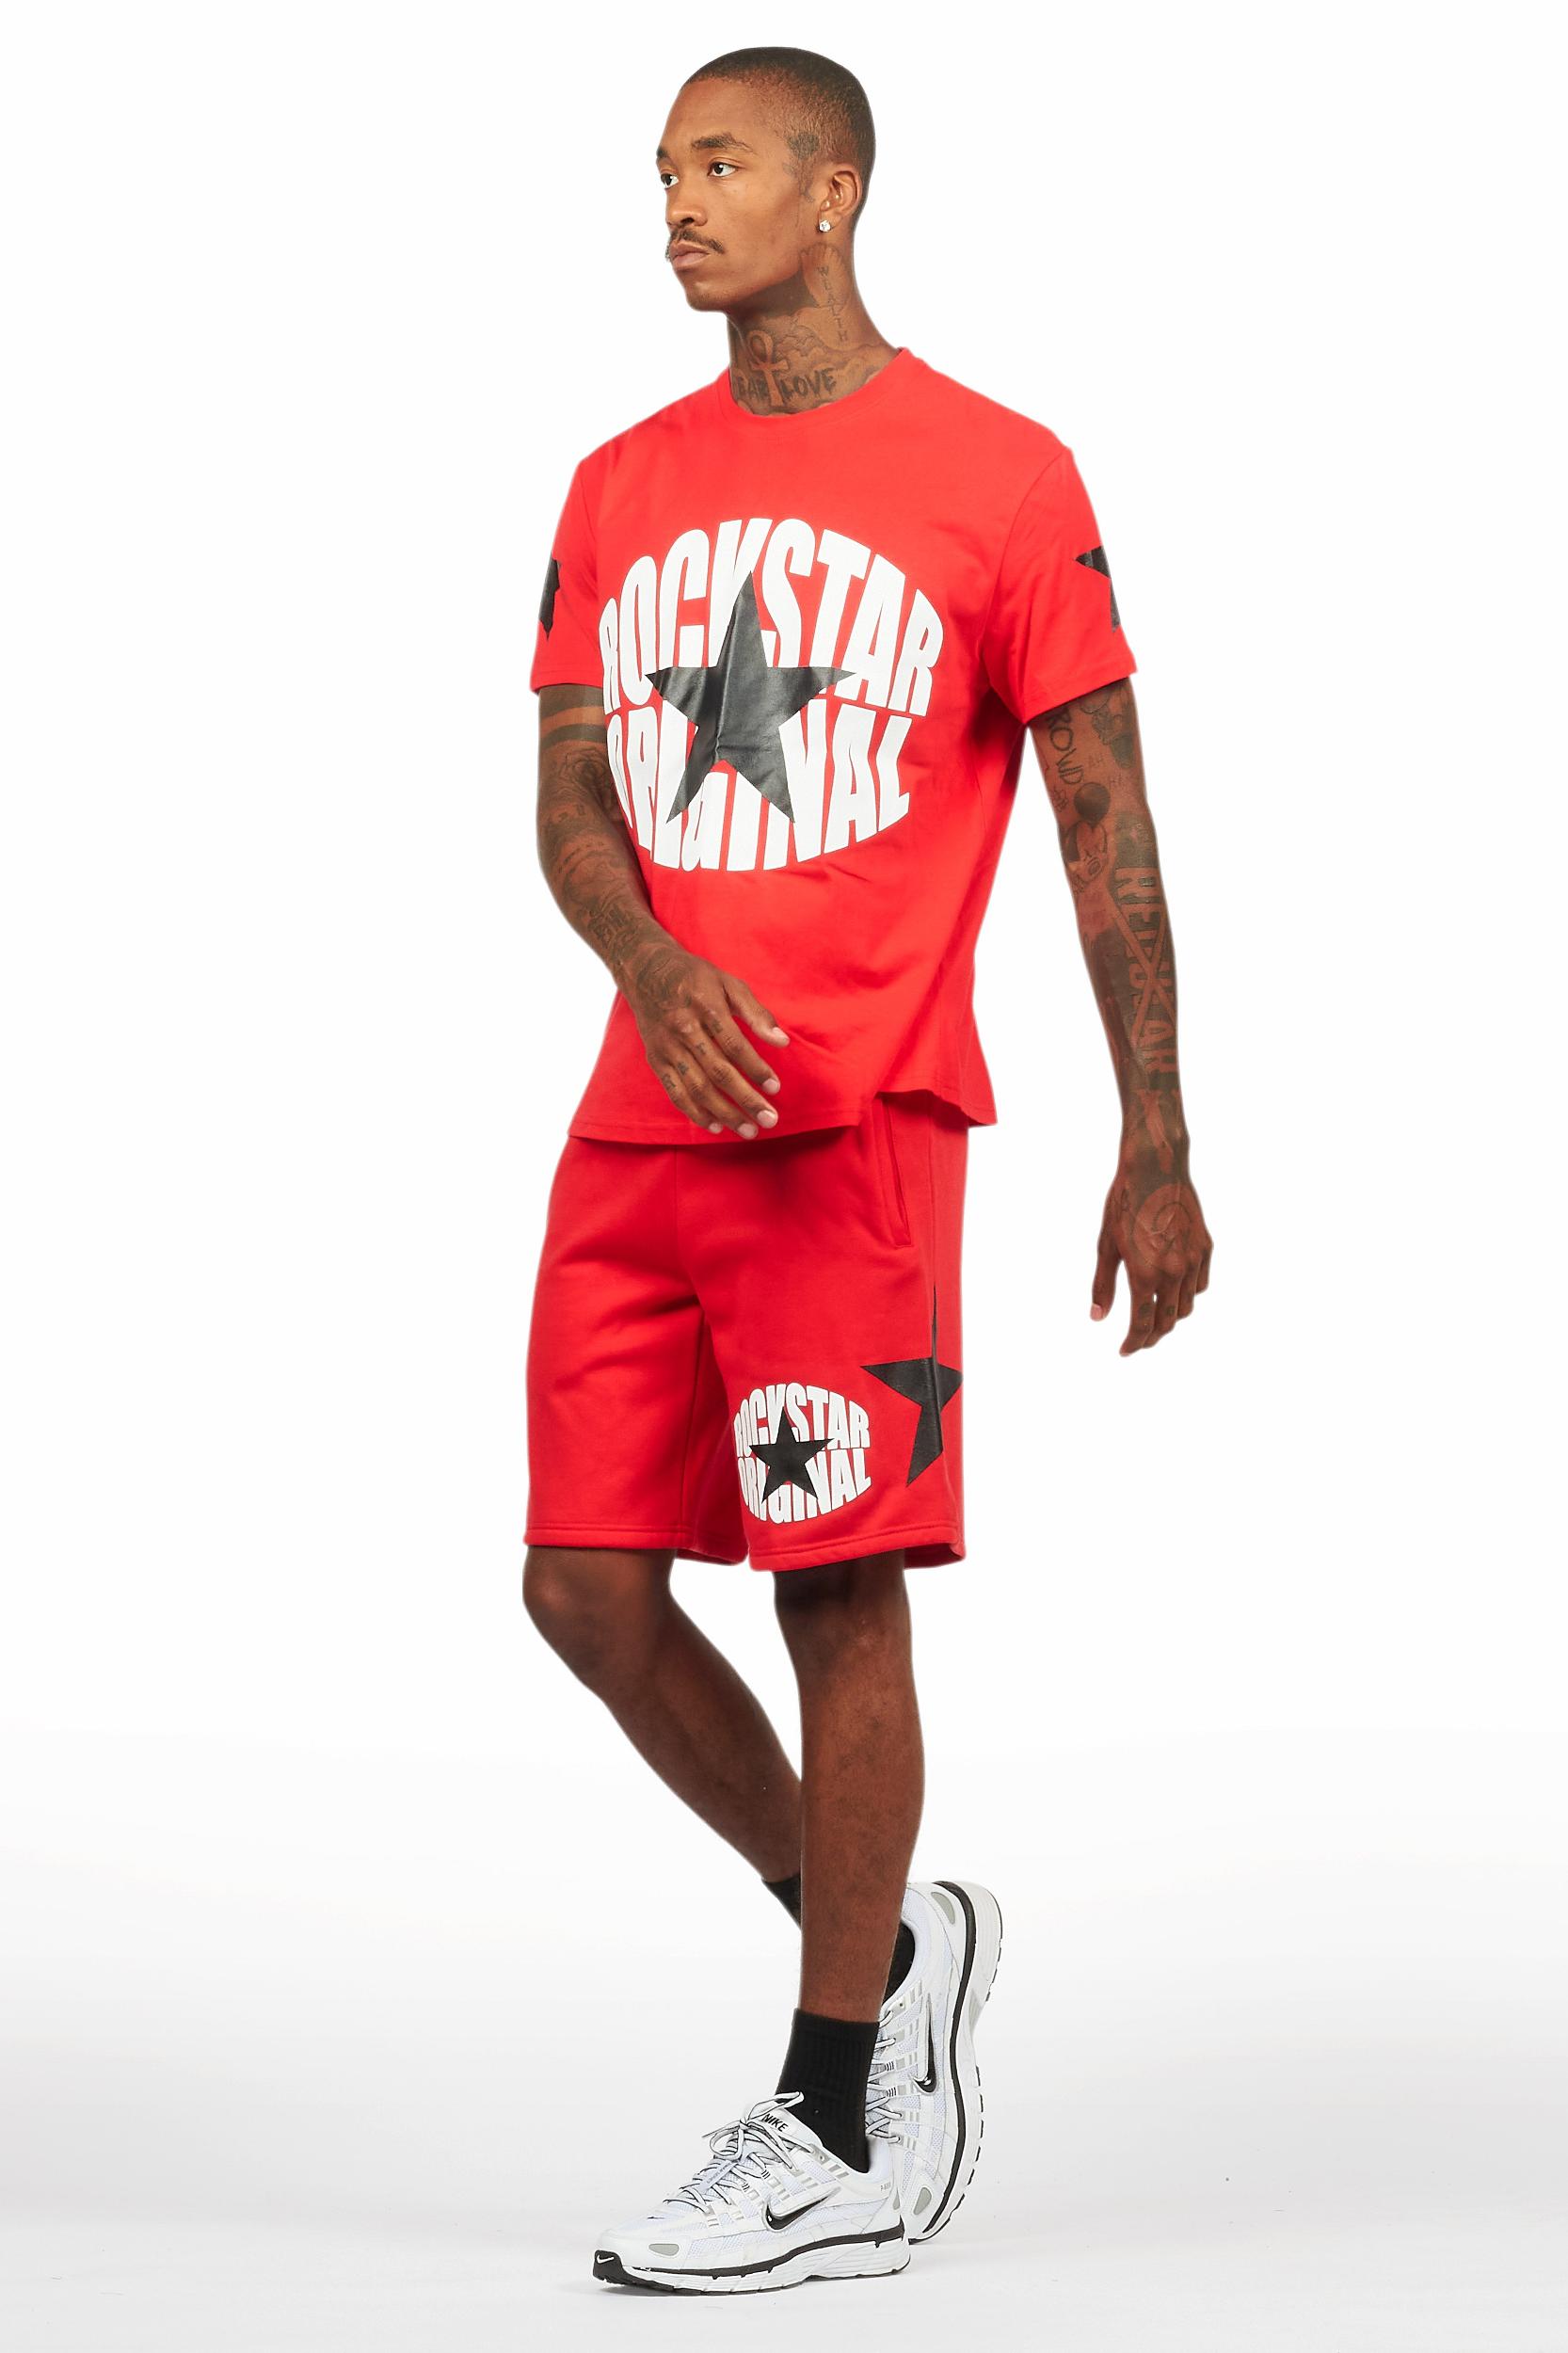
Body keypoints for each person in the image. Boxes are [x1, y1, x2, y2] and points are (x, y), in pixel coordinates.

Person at [523, 43, 1212, 2295]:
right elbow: (571, 796)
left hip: (857, 1122)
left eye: (719, 163)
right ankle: (889, 1943)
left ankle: (833, 2118)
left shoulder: (1000, 476)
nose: (676, 204)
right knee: (583, 1591)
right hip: (642, 1119)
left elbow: (1104, 819)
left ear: (833, 190)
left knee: (833, 1589)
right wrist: (645, 955)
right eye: (661, 169)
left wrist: (1155, 1131)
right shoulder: (616, 485)